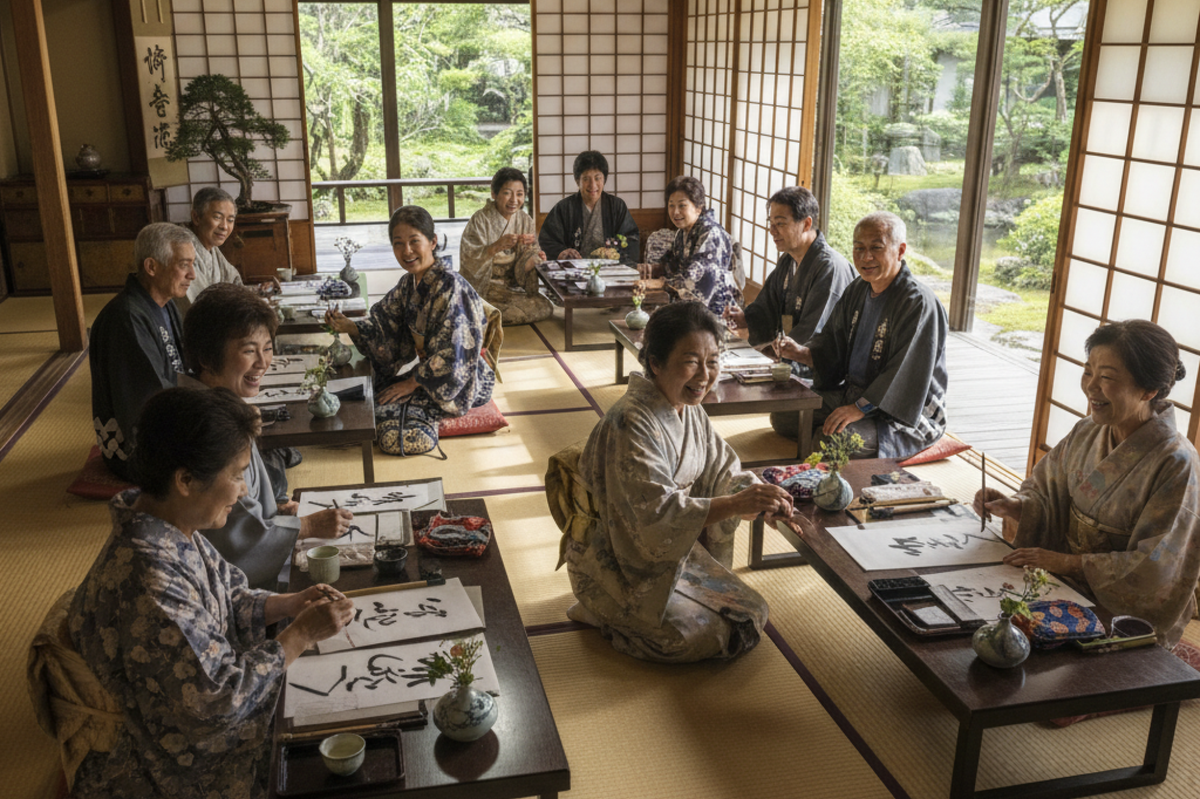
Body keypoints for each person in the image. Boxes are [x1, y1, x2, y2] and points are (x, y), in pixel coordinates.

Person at [68, 387, 355, 799]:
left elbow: (229, 594)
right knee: (331, 739)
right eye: (236, 475)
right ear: (185, 480)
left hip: (194, 716)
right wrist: (300, 635)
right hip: (172, 766)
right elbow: (218, 704)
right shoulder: (148, 580)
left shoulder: (165, 524)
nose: (243, 491)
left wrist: (288, 605)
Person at [560, 301, 796, 662]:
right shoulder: (630, 422)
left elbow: (722, 471)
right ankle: (598, 605)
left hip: (669, 554)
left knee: (751, 613)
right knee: (691, 637)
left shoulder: (690, 410)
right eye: (691, 362)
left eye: (712, 361)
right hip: (618, 560)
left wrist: (756, 499)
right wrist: (735, 504)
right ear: (655, 363)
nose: (704, 375)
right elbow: (653, 518)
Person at [974, 320, 1200, 649]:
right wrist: (1017, 507)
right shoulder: (1087, 431)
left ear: (1148, 390)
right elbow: (1047, 493)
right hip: (1061, 583)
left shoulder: (1176, 462)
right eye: (1088, 371)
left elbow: (1157, 566)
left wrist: (1068, 563)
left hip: (1122, 610)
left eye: (1106, 377)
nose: (1091, 387)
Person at [182, 283, 354, 588]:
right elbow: (235, 537)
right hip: (219, 583)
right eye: (249, 350)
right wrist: (304, 526)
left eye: (267, 348)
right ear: (207, 357)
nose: (263, 362)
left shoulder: (209, 403)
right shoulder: (206, 425)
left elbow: (242, 502)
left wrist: (273, 510)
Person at [326, 206, 495, 457]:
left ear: (432, 242)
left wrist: (412, 382)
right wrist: (352, 326)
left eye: (414, 241)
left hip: (459, 381)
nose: (407, 251)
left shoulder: (452, 289)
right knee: (360, 397)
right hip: (427, 374)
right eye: (398, 243)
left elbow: (456, 354)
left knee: (379, 418)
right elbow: (384, 322)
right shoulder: (408, 284)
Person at [781, 211, 948, 458]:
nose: (865, 257)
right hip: (852, 393)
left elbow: (903, 374)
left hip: (905, 413)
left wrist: (860, 408)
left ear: (900, 251)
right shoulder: (858, 289)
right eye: (858, 248)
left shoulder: (918, 302)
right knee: (784, 415)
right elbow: (832, 344)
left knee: (830, 442)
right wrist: (802, 353)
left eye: (876, 248)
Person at [90, 222, 196, 481]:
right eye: (184, 265)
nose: (192, 274)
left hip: (171, 415)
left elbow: (181, 369)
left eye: (193, 265)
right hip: (137, 449)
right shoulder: (126, 318)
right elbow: (147, 403)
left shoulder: (165, 304)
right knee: (227, 451)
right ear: (151, 267)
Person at [724, 186, 853, 353]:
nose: (772, 231)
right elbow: (766, 308)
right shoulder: (788, 260)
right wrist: (744, 319)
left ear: (806, 224)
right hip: (789, 355)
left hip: (819, 362)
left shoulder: (829, 268)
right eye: (771, 223)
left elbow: (812, 335)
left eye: (780, 224)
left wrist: (776, 355)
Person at [459, 167, 554, 325]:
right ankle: (478, 310)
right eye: (507, 193)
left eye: (519, 194)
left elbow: (530, 255)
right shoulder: (480, 220)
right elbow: (469, 259)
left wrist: (534, 258)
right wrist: (496, 246)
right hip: (486, 288)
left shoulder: (525, 220)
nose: (514, 200)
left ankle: (485, 314)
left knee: (544, 306)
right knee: (516, 310)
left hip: (511, 289)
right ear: (494, 194)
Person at [638, 176, 742, 315]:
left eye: (682, 206)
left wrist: (660, 283)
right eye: (671, 205)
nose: (675, 212)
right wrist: (652, 269)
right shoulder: (682, 233)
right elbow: (673, 265)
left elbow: (696, 280)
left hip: (715, 312)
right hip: (689, 307)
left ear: (698, 208)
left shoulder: (711, 235)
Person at [176, 187, 276, 316]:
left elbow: (234, 285)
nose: (224, 226)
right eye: (217, 217)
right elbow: (198, 305)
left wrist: (258, 290)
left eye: (230, 220)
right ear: (196, 217)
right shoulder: (181, 249)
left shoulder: (211, 248)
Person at [538, 150, 640, 264]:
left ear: (604, 179)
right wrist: (562, 252)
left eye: (597, 178)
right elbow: (547, 240)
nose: (593, 185)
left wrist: (615, 252)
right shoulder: (564, 208)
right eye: (586, 179)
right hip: (573, 270)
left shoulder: (616, 206)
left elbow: (631, 238)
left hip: (610, 269)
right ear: (578, 181)